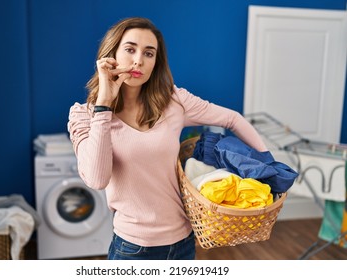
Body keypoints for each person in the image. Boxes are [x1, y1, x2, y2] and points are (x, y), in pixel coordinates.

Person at [67, 17, 268, 260]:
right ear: (111, 55)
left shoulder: (174, 101)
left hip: (183, 243)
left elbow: (233, 119)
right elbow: (98, 179)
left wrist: (268, 166)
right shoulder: (85, 115)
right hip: (132, 250)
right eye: (130, 49)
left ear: (156, 62)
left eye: (149, 53)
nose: (138, 60)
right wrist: (104, 105)